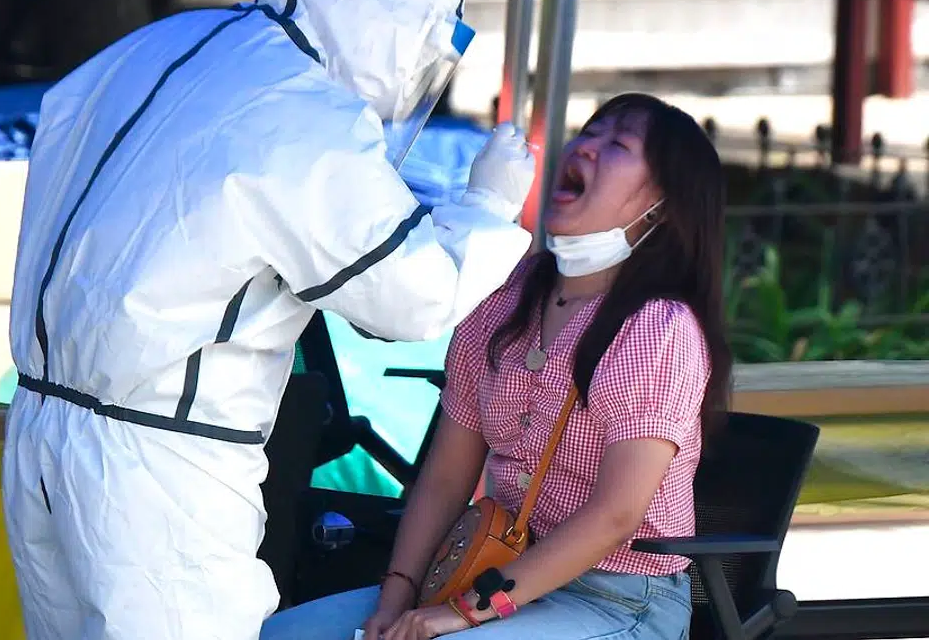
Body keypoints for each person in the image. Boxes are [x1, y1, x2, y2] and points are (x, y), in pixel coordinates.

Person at [2, 0, 539, 640]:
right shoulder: (308, 116)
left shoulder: (171, 41)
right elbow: (410, 298)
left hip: (39, 428)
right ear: (405, 41)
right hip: (157, 463)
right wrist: (487, 206)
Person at [260, 92, 733, 640]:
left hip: (615, 600)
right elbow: (442, 478)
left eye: (619, 144)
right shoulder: (504, 294)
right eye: (589, 132)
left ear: (661, 208)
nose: (587, 147)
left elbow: (616, 516)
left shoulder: (657, 327)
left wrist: (458, 616)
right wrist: (396, 599)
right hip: (480, 570)